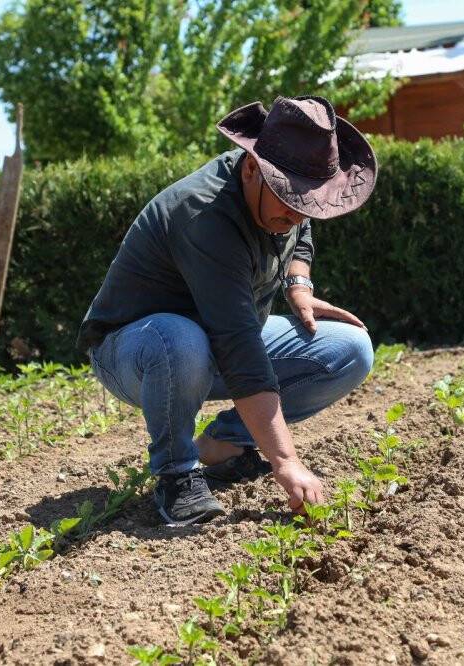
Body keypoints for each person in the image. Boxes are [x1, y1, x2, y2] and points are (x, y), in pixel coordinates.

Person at [76, 95, 378, 526]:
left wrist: (299, 283)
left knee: (350, 348)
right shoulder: (205, 215)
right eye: (289, 200)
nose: (296, 214)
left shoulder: (283, 202)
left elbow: (303, 228)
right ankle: (177, 474)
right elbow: (238, 347)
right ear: (252, 167)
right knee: (181, 339)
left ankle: (224, 445)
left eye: (307, 202)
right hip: (137, 351)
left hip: (216, 340)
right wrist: (285, 459)